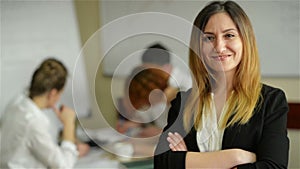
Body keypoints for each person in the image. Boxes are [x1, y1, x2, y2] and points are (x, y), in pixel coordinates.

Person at [154, 1, 289, 169]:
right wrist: (236, 157)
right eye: (209, 38)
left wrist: (189, 161)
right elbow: (162, 162)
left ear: (245, 40)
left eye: (229, 35)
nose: (219, 46)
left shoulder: (271, 101)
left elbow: (274, 166)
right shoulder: (184, 101)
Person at [0, 58, 87, 168]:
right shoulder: (33, 121)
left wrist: (69, 145)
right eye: (60, 94)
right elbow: (64, 166)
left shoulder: (17, 103)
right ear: (53, 93)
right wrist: (69, 124)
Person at [116, 64, 174, 138]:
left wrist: (160, 133)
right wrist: (133, 123)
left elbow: (186, 137)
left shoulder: (181, 101)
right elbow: (146, 113)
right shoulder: (158, 101)